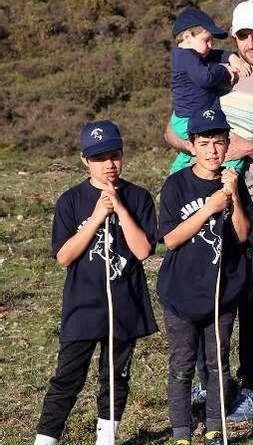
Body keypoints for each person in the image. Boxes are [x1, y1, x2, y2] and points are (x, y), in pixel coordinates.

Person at [166, 0, 253, 424]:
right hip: (201, 203)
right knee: (210, 290)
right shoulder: (216, 76)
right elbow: (170, 132)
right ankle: (211, 380)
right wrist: (195, 148)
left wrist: (250, 149)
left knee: (252, 297)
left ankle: (251, 384)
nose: (250, 43)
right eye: (242, 35)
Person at [34, 121, 158, 445]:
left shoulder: (139, 197)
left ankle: (106, 438)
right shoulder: (70, 201)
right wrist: (95, 218)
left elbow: (143, 250)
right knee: (67, 377)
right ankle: (45, 439)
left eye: (114, 155)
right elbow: (64, 256)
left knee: (115, 378)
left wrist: (118, 207)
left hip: (125, 304)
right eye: (100, 158)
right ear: (84, 160)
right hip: (83, 305)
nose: (109, 165)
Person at [156, 103, 252, 445]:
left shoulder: (233, 183)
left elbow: (242, 235)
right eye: (204, 143)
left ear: (227, 143)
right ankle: (182, 431)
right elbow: (170, 239)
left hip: (221, 292)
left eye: (218, 142)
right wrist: (209, 208)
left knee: (217, 364)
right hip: (181, 293)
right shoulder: (176, 185)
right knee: (182, 364)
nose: (212, 150)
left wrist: (233, 198)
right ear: (192, 146)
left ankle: (215, 426)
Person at [165, 6, 250, 174]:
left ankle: (176, 172)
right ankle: (229, 173)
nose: (211, 45)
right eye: (207, 40)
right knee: (209, 148)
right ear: (188, 37)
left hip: (189, 116)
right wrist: (224, 69)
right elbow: (205, 78)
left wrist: (231, 56)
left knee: (191, 150)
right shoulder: (185, 56)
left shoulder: (193, 54)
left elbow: (215, 54)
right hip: (188, 119)